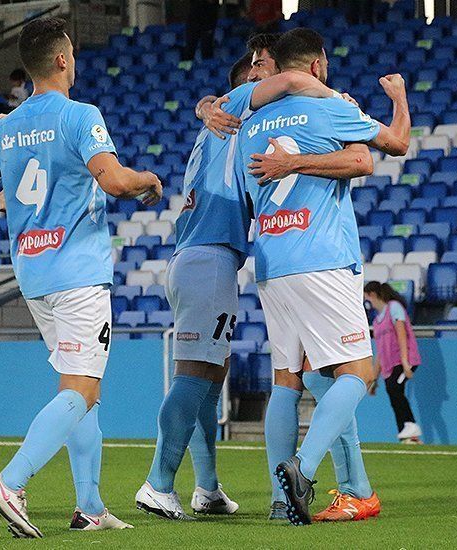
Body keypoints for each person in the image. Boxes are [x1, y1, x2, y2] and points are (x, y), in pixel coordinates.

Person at [0, 17, 162, 536]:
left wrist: (8, 203)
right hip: (77, 271)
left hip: (33, 273)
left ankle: (89, 507)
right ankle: (11, 481)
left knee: (82, 389)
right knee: (82, 386)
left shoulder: (4, 127)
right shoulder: (79, 116)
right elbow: (115, 181)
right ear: (63, 60)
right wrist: (148, 180)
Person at [134, 41, 344, 522]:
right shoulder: (238, 115)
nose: (262, 81)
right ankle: (159, 482)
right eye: (255, 79)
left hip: (196, 255)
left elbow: (214, 103)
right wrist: (334, 98)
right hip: (210, 257)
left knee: (212, 375)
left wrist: (204, 104)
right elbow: (284, 84)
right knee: (194, 374)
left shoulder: (218, 125)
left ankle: (206, 487)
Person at [236, 27, 410, 526]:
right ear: (315, 67)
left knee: (290, 379)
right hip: (320, 258)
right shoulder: (330, 105)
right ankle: (303, 469)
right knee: (360, 372)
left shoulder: (250, 127)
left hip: (270, 261)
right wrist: (397, 96)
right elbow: (383, 150)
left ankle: (283, 499)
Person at [365, 281, 422, 443]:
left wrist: (405, 362)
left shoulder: (394, 308)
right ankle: (407, 437)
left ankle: (411, 425)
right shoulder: (376, 322)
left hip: (405, 360)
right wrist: (374, 379)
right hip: (389, 365)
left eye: (367, 298)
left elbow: (402, 334)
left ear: (373, 295)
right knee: (393, 394)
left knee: (394, 389)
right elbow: (380, 353)